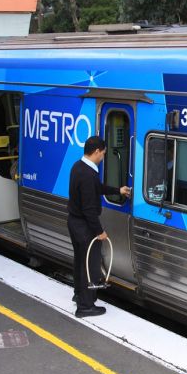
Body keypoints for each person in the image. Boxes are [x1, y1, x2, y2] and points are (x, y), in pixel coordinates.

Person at [67, 136, 131, 318]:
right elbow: (88, 209)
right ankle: (86, 307)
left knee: (80, 261)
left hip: (74, 222)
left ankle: (79, 295)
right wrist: (99, 232)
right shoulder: (88, 174)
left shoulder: (78, 167)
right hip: (85, 226)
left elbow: (97, 188)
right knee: (90, 265)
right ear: (96, 152)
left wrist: (118, 190)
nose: (102, 158)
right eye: (102, 155)